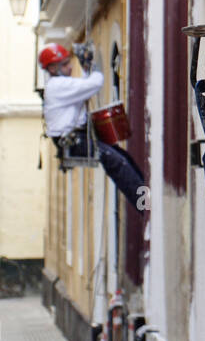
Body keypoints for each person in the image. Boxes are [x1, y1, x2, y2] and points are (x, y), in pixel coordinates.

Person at [39, 43, 145, 213]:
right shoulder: (58, 86)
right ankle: (145, 207)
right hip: (73, 140)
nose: (70, 66)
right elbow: (93, 84)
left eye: (69, 62)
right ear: (52, 68)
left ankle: (146, 198)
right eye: (65, 64)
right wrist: (93, 67)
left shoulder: (61, 85)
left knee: (123, 157)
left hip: (75, 138)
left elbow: (84, 85)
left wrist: (87, 68)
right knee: (117, 162)